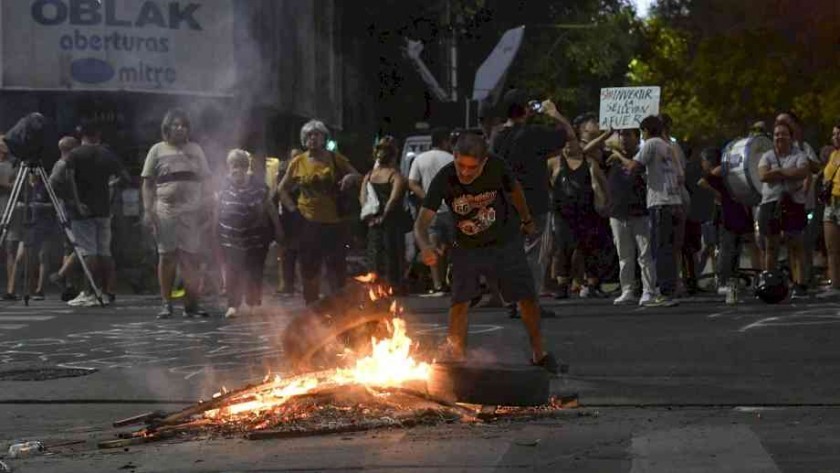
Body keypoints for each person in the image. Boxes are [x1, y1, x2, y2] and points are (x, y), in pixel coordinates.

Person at [414, 132, 560, 374]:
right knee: (460, 300)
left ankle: (539, 353)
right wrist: (425, 246)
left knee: (525, 297)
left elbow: (516, 193)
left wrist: (526, 219)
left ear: (484, 162)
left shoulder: (497, 167)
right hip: (467, 246)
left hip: (505, 240)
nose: (466, 173)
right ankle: (457, 358)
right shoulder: (445, 178)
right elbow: (421, 223)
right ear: (454, 156)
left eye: (473, 168)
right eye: (461, 165)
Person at [491, 90, 570, 317]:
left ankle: (511, 301)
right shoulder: (533, 133)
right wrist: (554, 113)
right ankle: (528, 303)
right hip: (534, 202)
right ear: (525, 110)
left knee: (510, 253)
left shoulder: (497, 137)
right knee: (534, 255)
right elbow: (567, 135)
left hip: (506, 201)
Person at [277, 119, 361, 305]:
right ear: (303, 139)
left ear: (324, 138)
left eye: (317, 135)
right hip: (307, 221)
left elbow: (359, 176)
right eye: (308, 135)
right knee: (309, 266)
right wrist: (293, 209)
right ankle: (311, 305)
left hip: (333, 221)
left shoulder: (334, 158)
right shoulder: (298, 162)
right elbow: (282, 189)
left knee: (336, 267)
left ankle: (339, 304)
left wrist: (349, 177)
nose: (312, 138)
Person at [142, 109, 213, 318]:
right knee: (167, 257)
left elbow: (207, 181)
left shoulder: (196, 149)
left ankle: (192, 304)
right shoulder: (157, 150)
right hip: (165, 211)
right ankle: (166, 303)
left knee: (191, 259)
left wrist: (208, 206)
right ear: (167, 128)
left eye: (184, 125)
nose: (180, 128)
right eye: (176, 125)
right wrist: (148, 210)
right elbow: (147, 183)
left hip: (192, 212)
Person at [50, 121, 128, 307]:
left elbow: (69, 181)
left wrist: (77, 203)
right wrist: (110, 186)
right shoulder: (107, 154)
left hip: (83, 211)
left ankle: (89, 291)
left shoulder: (75, 155)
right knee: (105, 252)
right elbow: (124, 177)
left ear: (81, 135)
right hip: (104, 210)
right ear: (99, 135)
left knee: (88, 252)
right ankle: (109, 291)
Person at [610, 116, 682, 305]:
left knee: (660, 250)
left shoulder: (650, 144)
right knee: (667, 248)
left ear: (646, 131)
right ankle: (669, 290)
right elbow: (680, 175)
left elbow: (632, 167)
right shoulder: (668, 146)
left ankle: (664, 293)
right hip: (674, 200)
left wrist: (617, 155)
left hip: (660, 202)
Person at [216, 149, 282, 318]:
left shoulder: (258, 186)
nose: (236, 169)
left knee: (254, 270)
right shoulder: (223, 186)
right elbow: (215, 209)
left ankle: (252, 303)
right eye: (233, 165)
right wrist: (213, 230)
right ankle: (233, 305)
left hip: (256, 236)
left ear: (246, 167)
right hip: (230, 236)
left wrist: (278, 228)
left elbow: (270, 207)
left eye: (240, 165)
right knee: (233, 270)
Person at [548, 128, 610, 299]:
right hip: (562, 214)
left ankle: (591, 283)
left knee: (589, 247)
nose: (568, 146)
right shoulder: (554, 162)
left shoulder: (589, 162)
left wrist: (607, 202)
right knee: (563, 248)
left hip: (586, 212)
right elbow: (545, 183)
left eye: (571, 142)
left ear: (578, 143)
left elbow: (603, 183)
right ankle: (562, 284)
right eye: (565, 143)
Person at [698, 148, 758, 303]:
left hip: (733, 210)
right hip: (729, 211)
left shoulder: (722, 169)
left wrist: (717, 193)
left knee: (732, 247)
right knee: (728, 247)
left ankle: (729, 280)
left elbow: (703, 181)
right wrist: (717, 193)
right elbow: (703, 182)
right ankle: (725, 280)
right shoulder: (723, 170)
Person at [757, 122, 810, 298]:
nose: (779, 137)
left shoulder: (800, 155)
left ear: (791, 137)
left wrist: (778, 171)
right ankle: (769, 282)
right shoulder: (767, 156)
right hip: (770, 204)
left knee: (795, 244)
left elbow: (802, 173)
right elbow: (763, 175)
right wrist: (787, 172)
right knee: (770, 246)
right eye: (776, 134)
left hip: (793, 203)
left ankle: (799, 284)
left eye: (783, 134)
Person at [605, 129, 656, 305]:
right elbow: (587, 150)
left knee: (645, 254)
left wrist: (618, 156)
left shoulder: (644, 155)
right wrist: (607, 134)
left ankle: (648, 290)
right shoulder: (610, 156)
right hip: (618, 213)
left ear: (637, 137)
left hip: (640, 212)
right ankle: (627, 289)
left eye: (628, 135)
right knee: (624, 256)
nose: (623, 138)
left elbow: (635, 168)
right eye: (621, 135)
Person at [407, 127, 454, 295]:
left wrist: (427, 198)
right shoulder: (451, 158)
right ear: (445, 141)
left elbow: (412, 182)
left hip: (430, 213)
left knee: (432, 247)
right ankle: (458, 282)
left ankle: (438, 284)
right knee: (455, 248)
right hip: (451, 210)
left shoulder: (420, 159)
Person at [361, 137, 411, 290]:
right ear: (394, 154)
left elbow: (363, 198)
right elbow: (394, 199)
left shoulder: (369, 175)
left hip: (373, 222)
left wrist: (370, 218)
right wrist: (384, 216)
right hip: (392, 223)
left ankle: (375, 289)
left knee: (374, 255)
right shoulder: (396, 175)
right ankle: (392, 287)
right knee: (393, 254)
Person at [47, 136, 81, 301]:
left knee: (68, 247)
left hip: (64, 209)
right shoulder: (63, 165)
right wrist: (69, 198)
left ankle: (69, 285)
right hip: (67, 210)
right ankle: (61, 275)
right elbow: (52, 185)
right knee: (79, 244)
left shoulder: (61, 164)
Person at [276, 148, 303, 297]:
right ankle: (287, 285)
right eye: (293, 157)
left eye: (298, 157)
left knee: (302, 252)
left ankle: (300, 283)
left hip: (304, 217)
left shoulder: (304, 174)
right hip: (288, 218)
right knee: (287, 253)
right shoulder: (283, 175)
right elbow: (279, 193)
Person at [818, 123, 840, 299]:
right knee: (831, 248)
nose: (836, 137)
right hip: (831, 203)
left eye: (839, 134)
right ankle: (835, 284)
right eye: (834, 134)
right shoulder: (833, 155)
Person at [0, 136, 22, 300]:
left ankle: (10, 289)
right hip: (7, 207)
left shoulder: (15, 164)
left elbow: (20, 185)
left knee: (10, 250)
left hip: (10, 209)